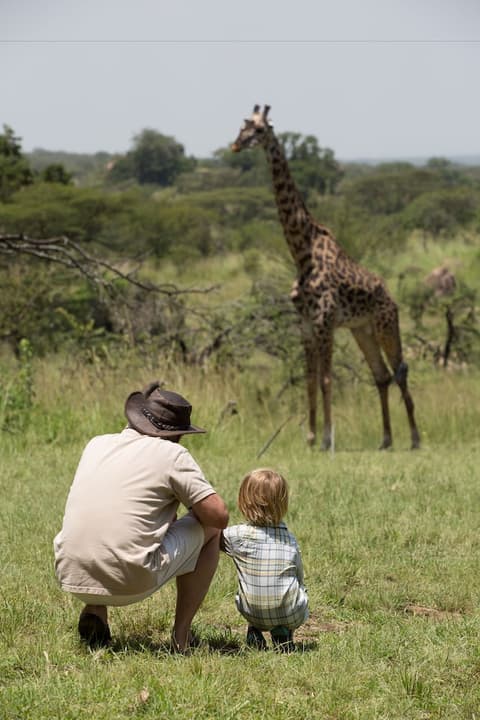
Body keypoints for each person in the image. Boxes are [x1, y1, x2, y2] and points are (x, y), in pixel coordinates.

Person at [53, 381, 229, 652]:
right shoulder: (171, 454)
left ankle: (95, 609)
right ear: (176, 434)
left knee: (111, 524)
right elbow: (218, 516)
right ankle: (181, 636)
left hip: (70, 573)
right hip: (129, 582)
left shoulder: (96, 444)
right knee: (211, 530)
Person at [221, 468, 308, 652]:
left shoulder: (237, 535)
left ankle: (254, 630)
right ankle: (282, 632)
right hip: (291, 613)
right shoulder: (290, 539)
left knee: (248, 592)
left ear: (244, 502)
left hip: (251, 611)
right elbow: (299, 576)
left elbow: (215, 541)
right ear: (283, 503)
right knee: (298, 587)